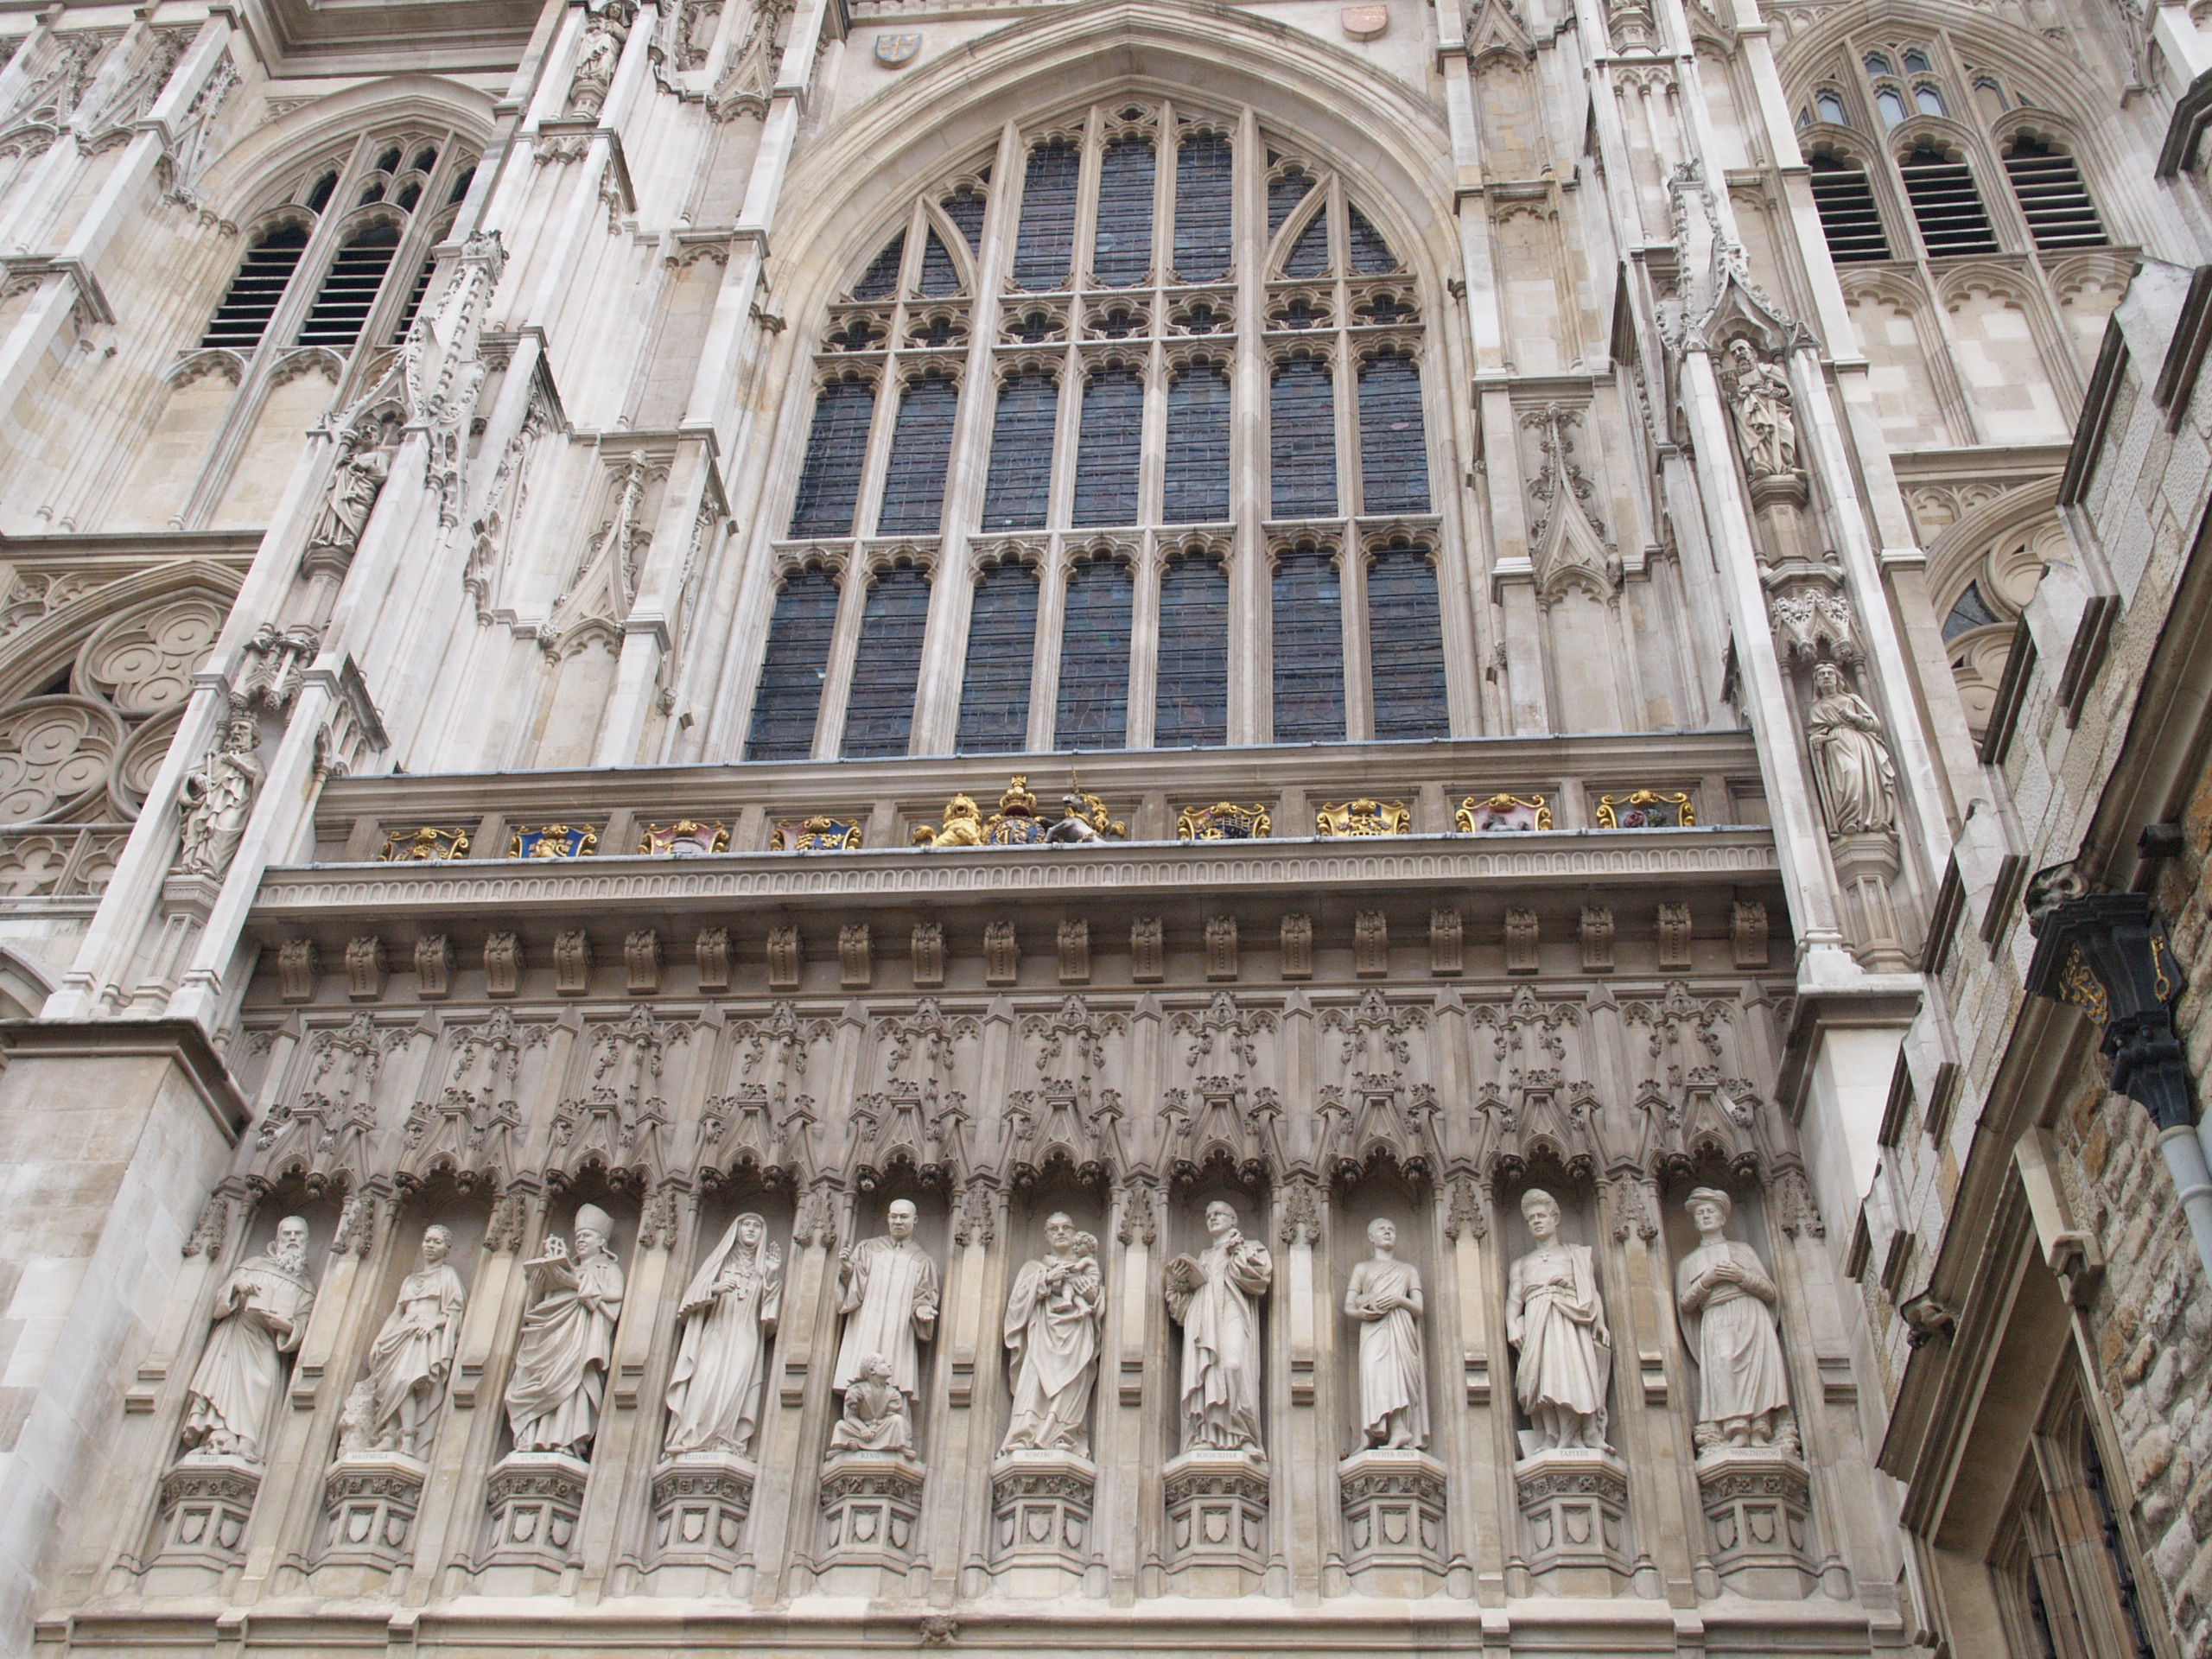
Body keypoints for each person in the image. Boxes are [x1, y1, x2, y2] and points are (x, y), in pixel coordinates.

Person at [180, 1216, 317, 1463]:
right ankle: (215, 1438)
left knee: (261, 1385)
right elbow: (221, 1299)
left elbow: (304, 1323)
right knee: (225, 1384)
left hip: (268, 1342)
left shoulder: (306, 1286)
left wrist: (286, 1326)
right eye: (287, 1234)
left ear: (306, 1240)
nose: (292, 1239)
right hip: (237, 1333)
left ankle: (248, 1443)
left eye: (298, 1235)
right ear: (277, 1238)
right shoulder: (252, 1265)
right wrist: (237, 1287)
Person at [1676, 1187, 1791, 1451]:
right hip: (1717, 1317)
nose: (1706, 1216)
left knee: (1758, 1371)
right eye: (1700, 1213)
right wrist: (1706, 1281)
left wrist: (1741, 1276)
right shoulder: (1690, 1262)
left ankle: (1761, 1429)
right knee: (1725, 1364)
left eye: (1710, 1211)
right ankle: (1735, 1428)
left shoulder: (1742, 1251)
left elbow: (1770, 1292)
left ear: (1723, 1218)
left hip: (1749, 1313)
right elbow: (1685, 1304)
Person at [505, 1205, 625, 1457]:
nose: (580, 1240)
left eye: (587, 1236)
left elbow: (614, 1298)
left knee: (571, 1385)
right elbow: (538, 1311)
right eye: (578, 1236)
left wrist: (574, 1282)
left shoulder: (608, 1270)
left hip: (579, 1341)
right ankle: (532, 1439)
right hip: (550, 1341)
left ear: (601, 1241)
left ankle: (564, 1440)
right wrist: (537, 1290)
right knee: (537, 1381)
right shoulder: (564, 1269)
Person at [664, 1212, 782, 1459]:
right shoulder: (720, 1262)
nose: (751, 1230)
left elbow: (769, 1317)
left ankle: (724, 1440)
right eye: (746, 1225)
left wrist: (772, 1275)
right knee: (705, 1377)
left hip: (746, 1334)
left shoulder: (763, 1269)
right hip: (717, 1330)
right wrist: (714, 1289)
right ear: (736, 1230)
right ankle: (690, 1438)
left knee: (735, 1385)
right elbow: (688, 1303)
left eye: (757, 1226)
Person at [1504, 1189, 1611, 1452]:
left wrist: (1600, 1323)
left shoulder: (1575, 1255)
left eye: (1541, 1216)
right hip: (1537, 1321)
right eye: (1531, 1219)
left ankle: (1588, 1433)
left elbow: (1591, 1292)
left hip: (1569, 1320)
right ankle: (1551, 1435)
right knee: (1542, 1374)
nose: (1536, 1222)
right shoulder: (1522, 1263)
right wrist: (1512, 1324)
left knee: (1573, 1371)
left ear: (1555, 1219)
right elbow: (1514, 1299)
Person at [1164, 1199, 1273, 1453]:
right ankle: (1206, 1436)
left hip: (1233, 1312)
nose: (1212, 1218)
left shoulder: (1250, 1247)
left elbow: (1259, 1280)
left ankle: (1243, 1435)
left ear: (1233, 1220)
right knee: (1207, 1375)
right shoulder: (1203, 1258)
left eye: (1219, 1214)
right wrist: (1178, 1285)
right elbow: (1183, 1309)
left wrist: (1237, 1252)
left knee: (1234, 1365)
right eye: (1208, 1215)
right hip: (1204, 1323)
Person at [1001, 1213, 1103, 1454]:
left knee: (1072, 1383)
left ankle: (1064, 1436)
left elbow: (1097, 1300)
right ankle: (1026, 1435)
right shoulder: (1033, 1268)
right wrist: (1046, 1279)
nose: (1060, 1232)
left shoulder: (1086, 1267)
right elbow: (1016, 1305)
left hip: (1077, 1334)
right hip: (1041, 1336)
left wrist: (1090, 1295)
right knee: (1034, 1382)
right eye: (1054, 1229)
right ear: (1046, 1235)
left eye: (1066, 1227)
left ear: (1074, 1233)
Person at [363, 1224, 466, 1458]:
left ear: (447, 1248)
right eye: (428, 1240)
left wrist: (434, 1322)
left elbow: (455, 1311)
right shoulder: (410, 1280)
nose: (430, 1246)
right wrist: (380, 1339)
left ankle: (408, 1439)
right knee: (392, 1384)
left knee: (405, 1381)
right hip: (400, 1335)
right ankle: (390, 1436)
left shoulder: (448, 1275)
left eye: (437, 1242)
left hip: (422, 1337)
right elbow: (397, 1313)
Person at [834, 1199, 939, 1405]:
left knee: (895, 1372)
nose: (898, 1222)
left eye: (904, 1217)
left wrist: (922, 1308)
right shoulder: (868, 1248)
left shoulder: (922, 1260)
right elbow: (855, 1288)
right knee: (861, 1367)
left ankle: (891, 1409)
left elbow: (923, 1295)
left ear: (915, 1220)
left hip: (898, 1326)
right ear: (888, 1218)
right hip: (867, 1321)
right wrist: (847, 1269)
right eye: (894, 1217)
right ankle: (856, 1408)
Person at [1344, 1217, 1428, 1451]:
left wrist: (1399, 1300)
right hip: (1373, 1327)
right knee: (1374, 1371)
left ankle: (1399, 1430)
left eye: (1392, 1229)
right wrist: (1362, 1311)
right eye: (1382, 1229)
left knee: (1396, 1374)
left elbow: (1419, 1308)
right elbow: (1349, 1304)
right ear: (1371, 1238)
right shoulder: (1362, 1268)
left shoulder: (1408, 1270)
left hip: (1400, 1326)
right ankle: (1373, 1433)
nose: (1388, 1232)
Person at [1805, 663, 1898, 836]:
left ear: (1837, 679)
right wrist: (1817, 737)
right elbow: (1816, 731)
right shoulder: (1817, 707)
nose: (1826, 677)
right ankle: (1848, 820)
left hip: (1858, 741)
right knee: (1850, 772)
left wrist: (1855, 717)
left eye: (1830, 674)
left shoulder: (1852, 699)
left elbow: (1875, 725)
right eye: (1821, 675)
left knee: (1865, 779)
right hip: (1836, 743)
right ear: (1816, 682)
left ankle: (1869, 820)